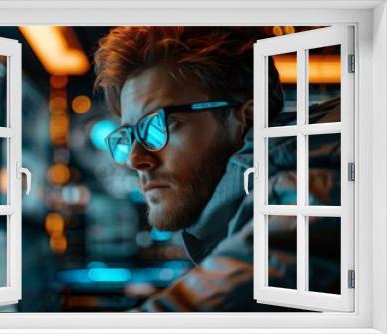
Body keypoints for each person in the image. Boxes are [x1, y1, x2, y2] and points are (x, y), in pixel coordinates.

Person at [93, 27, 341, 311]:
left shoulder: (317, 176)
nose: (135, 159)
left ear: (248, 118)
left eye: (157, 125)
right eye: (129, 135)